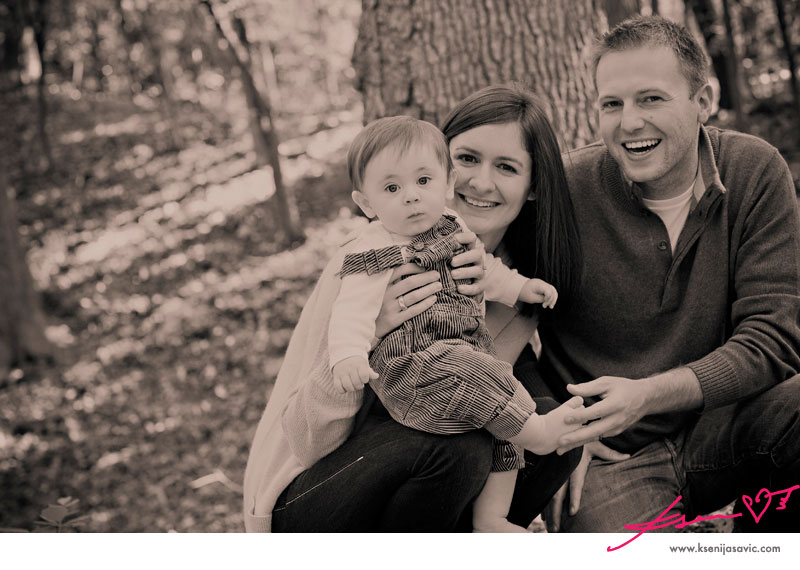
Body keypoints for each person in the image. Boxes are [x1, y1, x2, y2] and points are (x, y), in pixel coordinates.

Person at [242, 84, 584, 532]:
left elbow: (516, 381)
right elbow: (310, 440)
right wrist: (367, 339)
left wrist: (573, 426)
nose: (479, 182)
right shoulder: (370, 261)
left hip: (419, 477)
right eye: (468, 158)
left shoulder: (502, 280)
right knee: (460, 448)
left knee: (554, 440)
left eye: (506, 167)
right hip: (312, 491)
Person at [528, 15, 800, 533]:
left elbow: (773, 338)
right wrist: (552, 428)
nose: (629, 122)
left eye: (650, 99)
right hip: (607, 453)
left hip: (725, 426)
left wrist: (649, 394)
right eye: (612, 104)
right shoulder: (564, 191)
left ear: (703, 100)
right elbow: (497, 327)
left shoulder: (754, 171)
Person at [329, 115, 579, 532]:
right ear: (367, 204)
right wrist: (348, 355)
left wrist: (521, 288)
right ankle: (538, 433)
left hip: (463, 356)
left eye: (423, 181)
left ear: (446, 183)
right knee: (500, 396)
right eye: (391, 189)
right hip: (412, 368)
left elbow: (485, 270)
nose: (411, 196)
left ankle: (491, 518)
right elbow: (350, 311)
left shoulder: (451, 225)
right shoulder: (372, 250)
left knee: (501, 415)